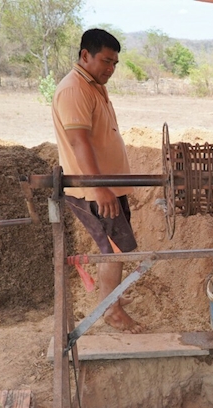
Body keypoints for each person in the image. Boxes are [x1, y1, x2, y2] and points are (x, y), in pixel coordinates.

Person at [52, 28, 142, 333]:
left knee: (115, 247)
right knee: (112, 249)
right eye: (105, 61)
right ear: (84, 55)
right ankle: (111, 311)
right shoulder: (74, 89)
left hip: (107, 187)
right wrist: (101, 187)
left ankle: (111, 297)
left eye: (115, 63)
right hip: (94, 191)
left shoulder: (93, 85)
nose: (111, 69)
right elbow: (80, 143)